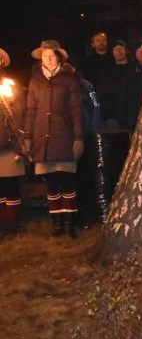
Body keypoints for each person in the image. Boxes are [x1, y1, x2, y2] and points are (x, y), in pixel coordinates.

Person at [23, 41, 84, 238]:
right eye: (45, 56)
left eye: (52, 55)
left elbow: (76, 110)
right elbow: (30, 111)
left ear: (58, 57)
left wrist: (78, 137)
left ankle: (69, 222)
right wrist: (27, 137)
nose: (48, 59)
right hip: (42, 139)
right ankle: (56, 223)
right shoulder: (35, 81)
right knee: (51, 183)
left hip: (64, 135)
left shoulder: (69, 79)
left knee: (67, 181)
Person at [0, 49, 26, 236]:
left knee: (10, 185)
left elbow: (20, 114)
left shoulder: (10, 85)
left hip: (8, 144)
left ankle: (11, 226)